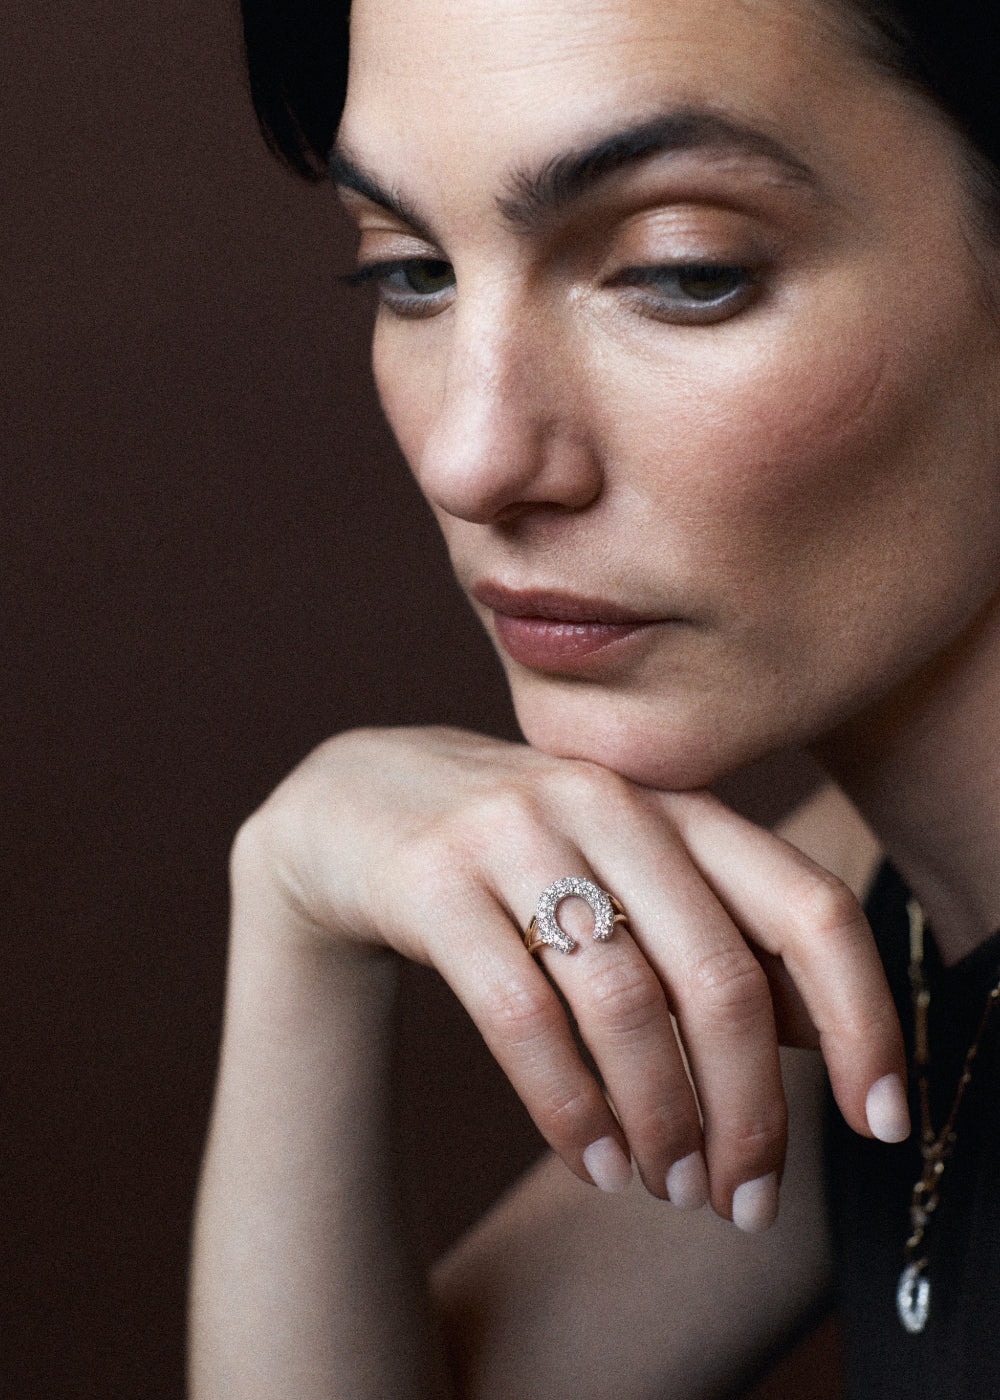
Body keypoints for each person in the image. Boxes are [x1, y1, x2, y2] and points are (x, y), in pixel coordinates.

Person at [190, 1, 1000, 1395]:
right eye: (413, 271)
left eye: (681, 272)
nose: (471, 454)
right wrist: (297, 915)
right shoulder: (862, 920)